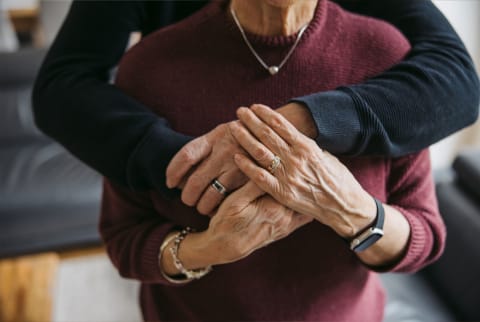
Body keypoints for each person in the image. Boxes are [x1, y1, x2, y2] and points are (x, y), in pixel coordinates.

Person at [100, 0, 445, 320]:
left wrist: (350, 208)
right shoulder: (148, 69)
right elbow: (125, 238)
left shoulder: (386, 55)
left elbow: (424, 237)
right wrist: (207, 248)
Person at [33, 1, 479, 214]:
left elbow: (458, 84)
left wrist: (301, 123)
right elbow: (60, 87)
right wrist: (184, 162)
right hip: (188, 189)